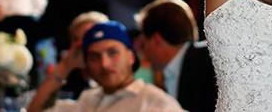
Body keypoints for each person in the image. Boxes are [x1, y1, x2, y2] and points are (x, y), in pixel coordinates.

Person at [29, 21, 185, 112]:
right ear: (87, 64)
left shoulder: (154, 103)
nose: (104, 64)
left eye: (113, 53)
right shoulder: (87, 100)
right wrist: (65, 66)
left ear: (131, 56)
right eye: (94, 57)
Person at [136, 0, 216, 112]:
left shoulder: (208, 60)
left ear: (157, 40)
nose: (142, 52)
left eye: (143, 44)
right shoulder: (173, 71)